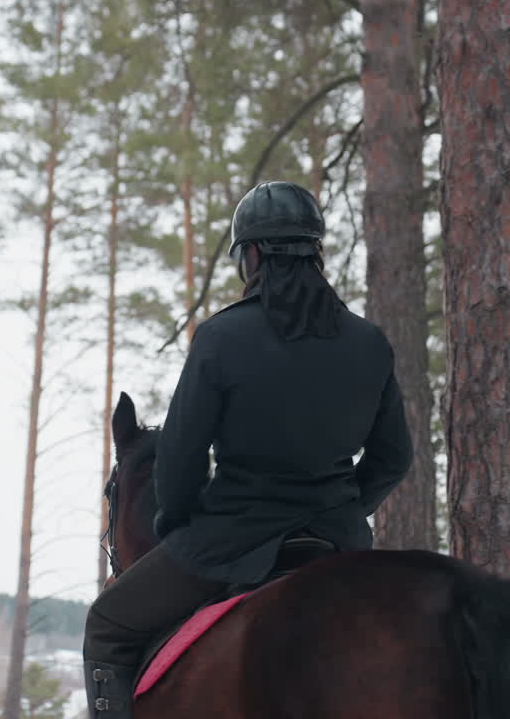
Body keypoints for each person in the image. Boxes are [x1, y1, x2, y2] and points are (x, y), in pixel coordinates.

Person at [82, 181, 414, 718]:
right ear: (315, 251)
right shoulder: (368, 342)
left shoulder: (221, 338)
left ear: (252, 254)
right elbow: (394, 457)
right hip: (337, 542)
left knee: (106, 625)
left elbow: (181, 460)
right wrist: (345, 509)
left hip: (230, 541)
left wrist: (181, 526)